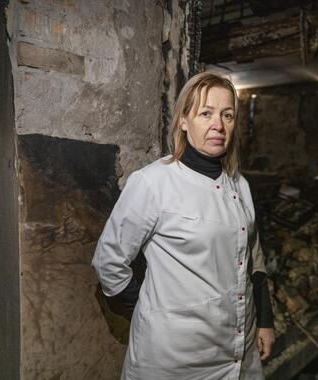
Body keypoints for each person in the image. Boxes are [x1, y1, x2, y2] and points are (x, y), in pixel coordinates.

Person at [92, 72, 275, 380]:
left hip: (236, 353)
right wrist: (150, 312)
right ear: (183, 121)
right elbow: (109, 261)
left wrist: (265, 321)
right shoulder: (153, 183)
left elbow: (253, 258)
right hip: (174, 360)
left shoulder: (239, 185)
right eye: (206, 113)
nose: (218, 125)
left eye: (227, 115)